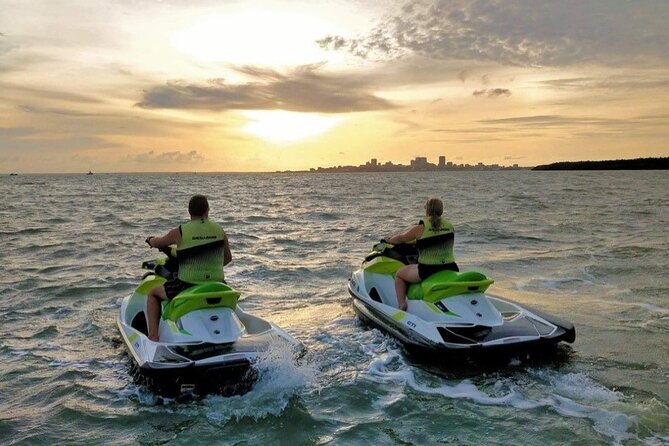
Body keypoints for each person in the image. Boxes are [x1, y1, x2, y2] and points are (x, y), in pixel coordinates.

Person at [144, 194, 232, 341]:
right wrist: (209, 267)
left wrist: (150, 240)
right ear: (207, 210)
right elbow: (228, 258)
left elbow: (159, 242)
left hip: (187, 285)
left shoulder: (180, 231)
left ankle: (153, 336)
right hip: (218, 284)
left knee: (153, 293)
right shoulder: (219, 230)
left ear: (189, 212)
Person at [385, 198, 458, 311]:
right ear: (441, 210)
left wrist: (389, 240)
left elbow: (402, 238)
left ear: (427, 210)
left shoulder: (421, 228)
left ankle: (402, 304)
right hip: (450, 267)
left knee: (399, 274)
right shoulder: (450, 226)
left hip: (427, 270)